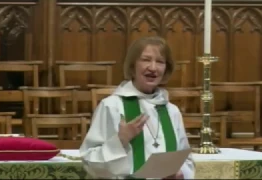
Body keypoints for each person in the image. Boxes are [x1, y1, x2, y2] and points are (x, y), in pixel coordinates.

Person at [79, 36, 195, 179]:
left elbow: (186, 159)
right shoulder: (111, 106)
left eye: (160, 62)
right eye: (146, 59)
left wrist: (180, 174)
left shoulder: (172, 111)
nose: (153, 68)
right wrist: (121, 140)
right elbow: (89, 163)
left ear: (166, 69)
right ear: (132, 66)